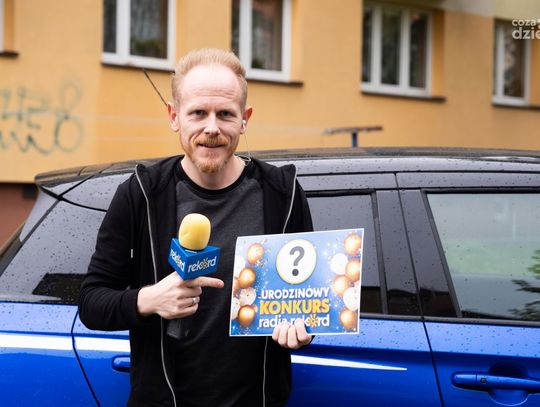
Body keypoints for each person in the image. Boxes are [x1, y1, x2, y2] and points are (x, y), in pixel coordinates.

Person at [79, 48, 313, 407]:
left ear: (245, 119)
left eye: (226, 114)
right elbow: (91, 303)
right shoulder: (141, 194)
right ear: (174, 116)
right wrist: (150, 299)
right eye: (198, 113)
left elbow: (305, 297)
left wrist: (302, 329)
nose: (212, 128)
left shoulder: (282, 194)